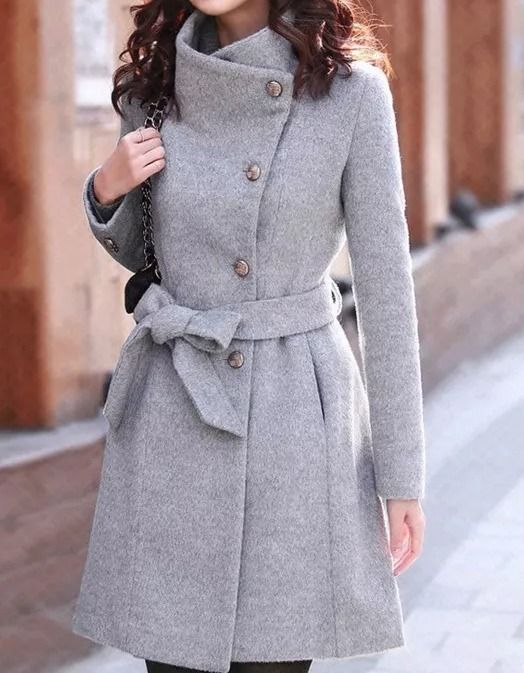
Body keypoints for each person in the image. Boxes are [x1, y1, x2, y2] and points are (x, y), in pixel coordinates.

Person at [71, 2, 427, 672]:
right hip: (177, 414)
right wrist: (106, 190)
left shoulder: (351, 94)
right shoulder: (154, 87)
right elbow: (156, 253)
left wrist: (401, 478)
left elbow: (387, 292)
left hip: (292, 421)